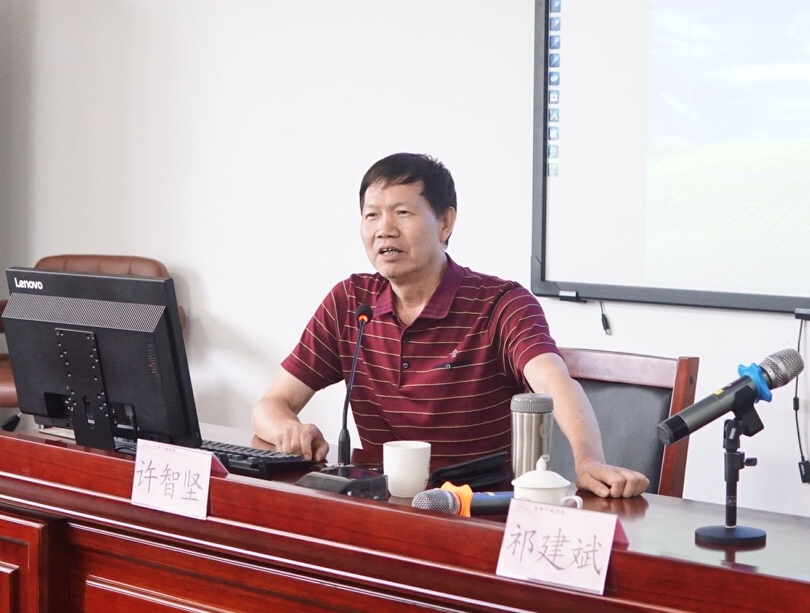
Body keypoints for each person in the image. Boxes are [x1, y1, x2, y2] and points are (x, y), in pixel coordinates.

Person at [251, 152, 648, 498]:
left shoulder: (500, 303)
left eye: (402, 213)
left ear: (445, 223)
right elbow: (271, 405)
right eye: (371, 215)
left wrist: (588, 460)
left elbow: (552, 380)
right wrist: (290, 431)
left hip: (477, 513)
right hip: (378, 508)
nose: (384, 228)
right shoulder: (351, 302)